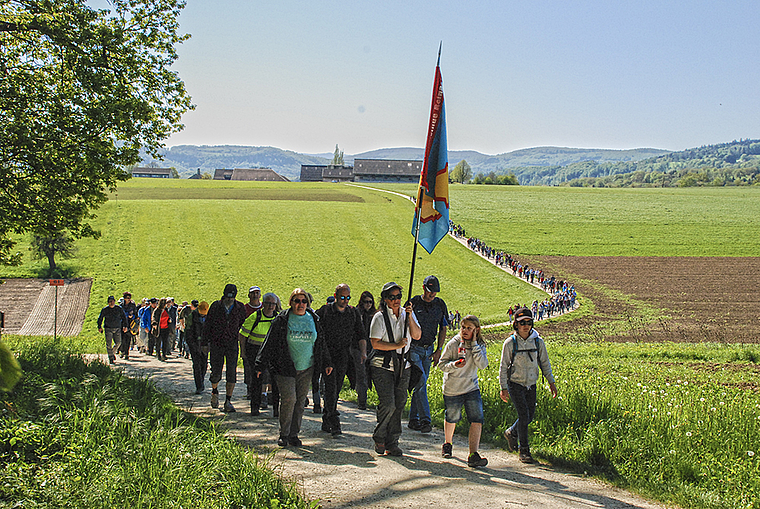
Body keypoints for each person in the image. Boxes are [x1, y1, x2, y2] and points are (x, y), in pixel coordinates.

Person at [254, 288, 332, 447]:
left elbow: (320, 343)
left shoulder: (313, 319)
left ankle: (294, 434)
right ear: (291, 303)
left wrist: (327, 362)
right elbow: (269, 342)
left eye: (304, 301)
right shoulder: (282, 320)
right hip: (285, 367)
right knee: (289, 399)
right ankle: (284, 434)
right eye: (297, 301)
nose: (300, 304)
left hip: (307, 367)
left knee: (300, 402)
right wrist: (260, 364)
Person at [499, 307, 558, 464]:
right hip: (515, 384)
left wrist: (551, 382)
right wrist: (503, 387)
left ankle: (512, 432)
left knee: (529, 415)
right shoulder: (510, 343)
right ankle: (523, 450)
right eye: (522, 322)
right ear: (516, 325)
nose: (526, 325)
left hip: (531, 384)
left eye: (529, 322)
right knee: (524, 415)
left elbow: (545, 363)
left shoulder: (538, 342)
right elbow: (503, 367)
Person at [368, 282, 421, 457]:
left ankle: (393, 441)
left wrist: (410, 315)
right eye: (392, 297)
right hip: (383, 366)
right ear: (385, 299)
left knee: (399, 404)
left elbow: (417, 335)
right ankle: (380, 436)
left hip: (403, 365)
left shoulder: (407, 315)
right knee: (388, 403)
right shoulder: (380, 317)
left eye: (398, 296)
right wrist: (396, 345)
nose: (396, 300)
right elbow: (375, 343)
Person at [438, 315, 489, 467]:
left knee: (477, 419)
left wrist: (473, 345)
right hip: (453, 388)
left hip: (471, 387)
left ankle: (473, 454)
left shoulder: (479, 345)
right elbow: (442, 364)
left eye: (469, 328)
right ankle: (448, 443)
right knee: (452, 417)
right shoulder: (453, 344)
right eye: (463, 327)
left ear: (476, 330)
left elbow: (482, 364)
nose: (465, 331)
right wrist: (454, 365)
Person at [316, 284, 366, 436]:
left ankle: (326, 418)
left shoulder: (353, 313)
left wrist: (363, 352)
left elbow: (361, 334)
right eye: (342, 297)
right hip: (327, 355)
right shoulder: (325, 312)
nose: (345, 301)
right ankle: (334, 421)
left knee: (336, 389)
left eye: (348, 298)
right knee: (330, 387)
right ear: (335, 296)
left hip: (343, 354)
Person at [408, 275, 449, 433]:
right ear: (424, 288)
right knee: (421, 381)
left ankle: (413, 419)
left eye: (435, 292)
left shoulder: (440, 305)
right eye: (431, 291)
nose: (433, 295)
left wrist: (439, 350)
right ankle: (426, 420)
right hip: (414, 348)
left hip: (429, 349)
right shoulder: (414, 302)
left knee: (420, 385)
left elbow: (443, 328)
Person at [203, 284, 247, 412]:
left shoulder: (239, 307)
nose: (229, 299)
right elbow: (208, 325)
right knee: (216, 371)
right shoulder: (216, 306)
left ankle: (228, 400)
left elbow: (243, 324)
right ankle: (215, 391)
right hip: (217, 343)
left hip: (232, 343)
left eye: (232, 297)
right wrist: (205, 343)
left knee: (231, 372)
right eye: (228, 296)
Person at [239, 292, 280, 415]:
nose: (271, 306)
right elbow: (242, 334)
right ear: (263, 304)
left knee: (275, 381)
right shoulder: (255, 317)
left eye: (273, 304)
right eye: (268, 303)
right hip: (255, 351)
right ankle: (255, 407)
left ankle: (276, 410)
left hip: (273, 352)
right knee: (257, 380)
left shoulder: (278, 318)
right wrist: (243, 352)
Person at [351, 290, 376, 410]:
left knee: (369, 373)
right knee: (361, 374)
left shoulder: (374, 315)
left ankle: (363, 397)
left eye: (370, 302)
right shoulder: (357, 313)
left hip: (371, 347)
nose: (368, 305)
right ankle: (362, 401)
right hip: (357, 347)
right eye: (366, 302)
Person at [242, 286, 262, 399]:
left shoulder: (265, 307)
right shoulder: (245, 309)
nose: (255, 295)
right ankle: (250, 389)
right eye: (253, 293)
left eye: (257, 293)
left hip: (263, 344)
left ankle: (262, 392)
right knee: (249, 367)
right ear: (249, 295)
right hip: (249, 343)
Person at [184, 300, 209, 394]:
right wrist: (192, 345)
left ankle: (201, 380)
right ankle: (199, 386)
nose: (203, 315)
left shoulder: (209, 317)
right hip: (194, 344)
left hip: (205, 345)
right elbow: (188, 332)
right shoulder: (192, 316)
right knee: (197, 365)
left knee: (204, 364)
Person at [97, 295, 128, 364]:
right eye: (110, 301)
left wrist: (125, 326)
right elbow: (100, 318)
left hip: (117, 328)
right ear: (108, 302)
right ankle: (111, 357)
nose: (112, 303)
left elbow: (124, 317)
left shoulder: (118, 309)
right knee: (109, 344)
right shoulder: (105, 310)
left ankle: (112, 353)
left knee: (118, 343)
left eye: (113, 301)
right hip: (108, 328)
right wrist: (99, 327)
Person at [119, 292, 138, 359]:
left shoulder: (132, 305)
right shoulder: (121, 305)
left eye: (130, 298)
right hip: (123, 324)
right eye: (127, 298)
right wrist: (126, 316)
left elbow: (136, 314)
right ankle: (122, 351)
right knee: (122, 339)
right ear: (124, 298)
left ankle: (127, 353)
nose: (129, 299)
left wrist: (132, 316)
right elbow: (120, 315)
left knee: (128, 339)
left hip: (130, 324)